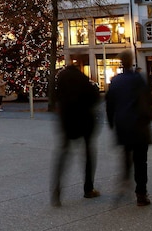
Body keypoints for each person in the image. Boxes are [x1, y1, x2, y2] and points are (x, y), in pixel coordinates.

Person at [105, 50, 152, 207]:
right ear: (132, 61)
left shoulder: (115, 81)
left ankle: (125, 179)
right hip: (139, 125)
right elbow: (149, 99)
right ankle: (141, 193)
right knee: (141, 161)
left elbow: (109, 104)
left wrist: (111, 122)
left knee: (126, 154)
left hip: (123, 125)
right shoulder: (139, 79)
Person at [51, 62, 101, 207]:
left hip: (67, 121)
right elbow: (93, 98)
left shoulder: (61, 77)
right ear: (79, 65)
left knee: (63, 155)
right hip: (83, 121)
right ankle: (88, 188)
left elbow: (56, 96)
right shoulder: (82, 78)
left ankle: (57, 189)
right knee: (88, 156)